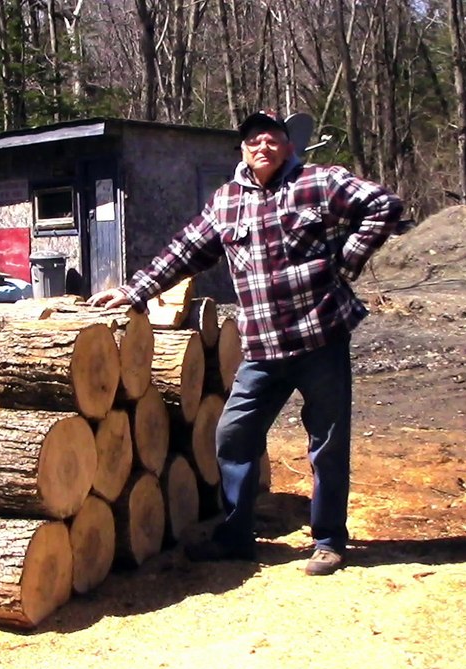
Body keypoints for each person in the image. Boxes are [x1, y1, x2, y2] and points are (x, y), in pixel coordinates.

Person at [88, 110, 402, 576]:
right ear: (242, 150)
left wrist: (347, 259)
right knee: (233, 435)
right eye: (254, 140)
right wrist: (134, 292)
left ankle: (329, 541)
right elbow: (184, 251)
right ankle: (237, 535)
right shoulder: (227, 202)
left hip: (320, 338)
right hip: (262, 347)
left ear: (288, 146)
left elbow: (384, 205)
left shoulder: (321, 182)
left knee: (327, 444)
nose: (263, 146)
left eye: (273, 138)